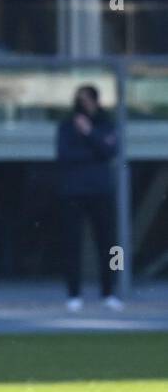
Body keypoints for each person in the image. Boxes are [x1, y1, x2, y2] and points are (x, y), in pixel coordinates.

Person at [55, 86, 122, 312]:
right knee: (71, 244)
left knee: (109, 244)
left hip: (101, 190)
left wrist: (89, 134)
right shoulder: (67, 125)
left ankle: (110, 292)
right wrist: (93, 151)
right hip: (73, 191)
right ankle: (73, 293)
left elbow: (110, 150)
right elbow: (64, 155)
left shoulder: (105, 122)